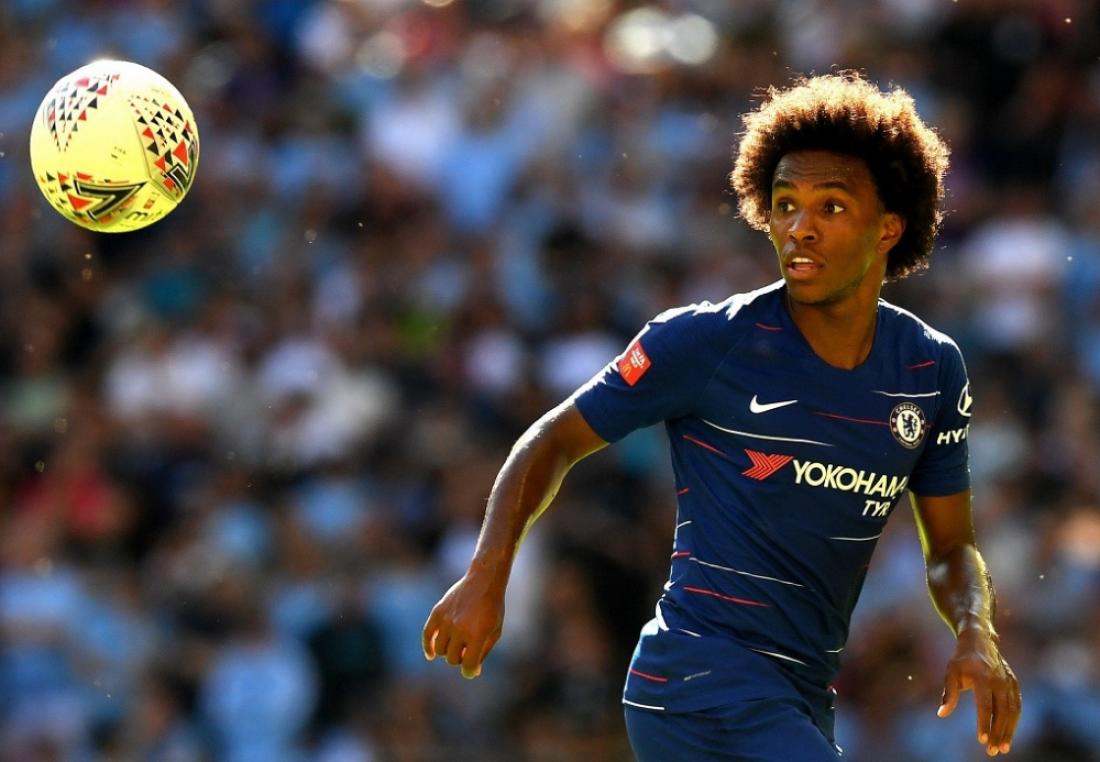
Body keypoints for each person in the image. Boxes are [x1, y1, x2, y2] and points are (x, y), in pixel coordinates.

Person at [421, 72, 1021, 760]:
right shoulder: (707, 342)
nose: (799, 227)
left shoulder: (930, 369)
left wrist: (975, 631)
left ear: (889, 227)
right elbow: (553, 439)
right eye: (785, 204)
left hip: (800, 693)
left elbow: (950, 548)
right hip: (695, 679)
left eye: (831, 207)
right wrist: (488, 572)